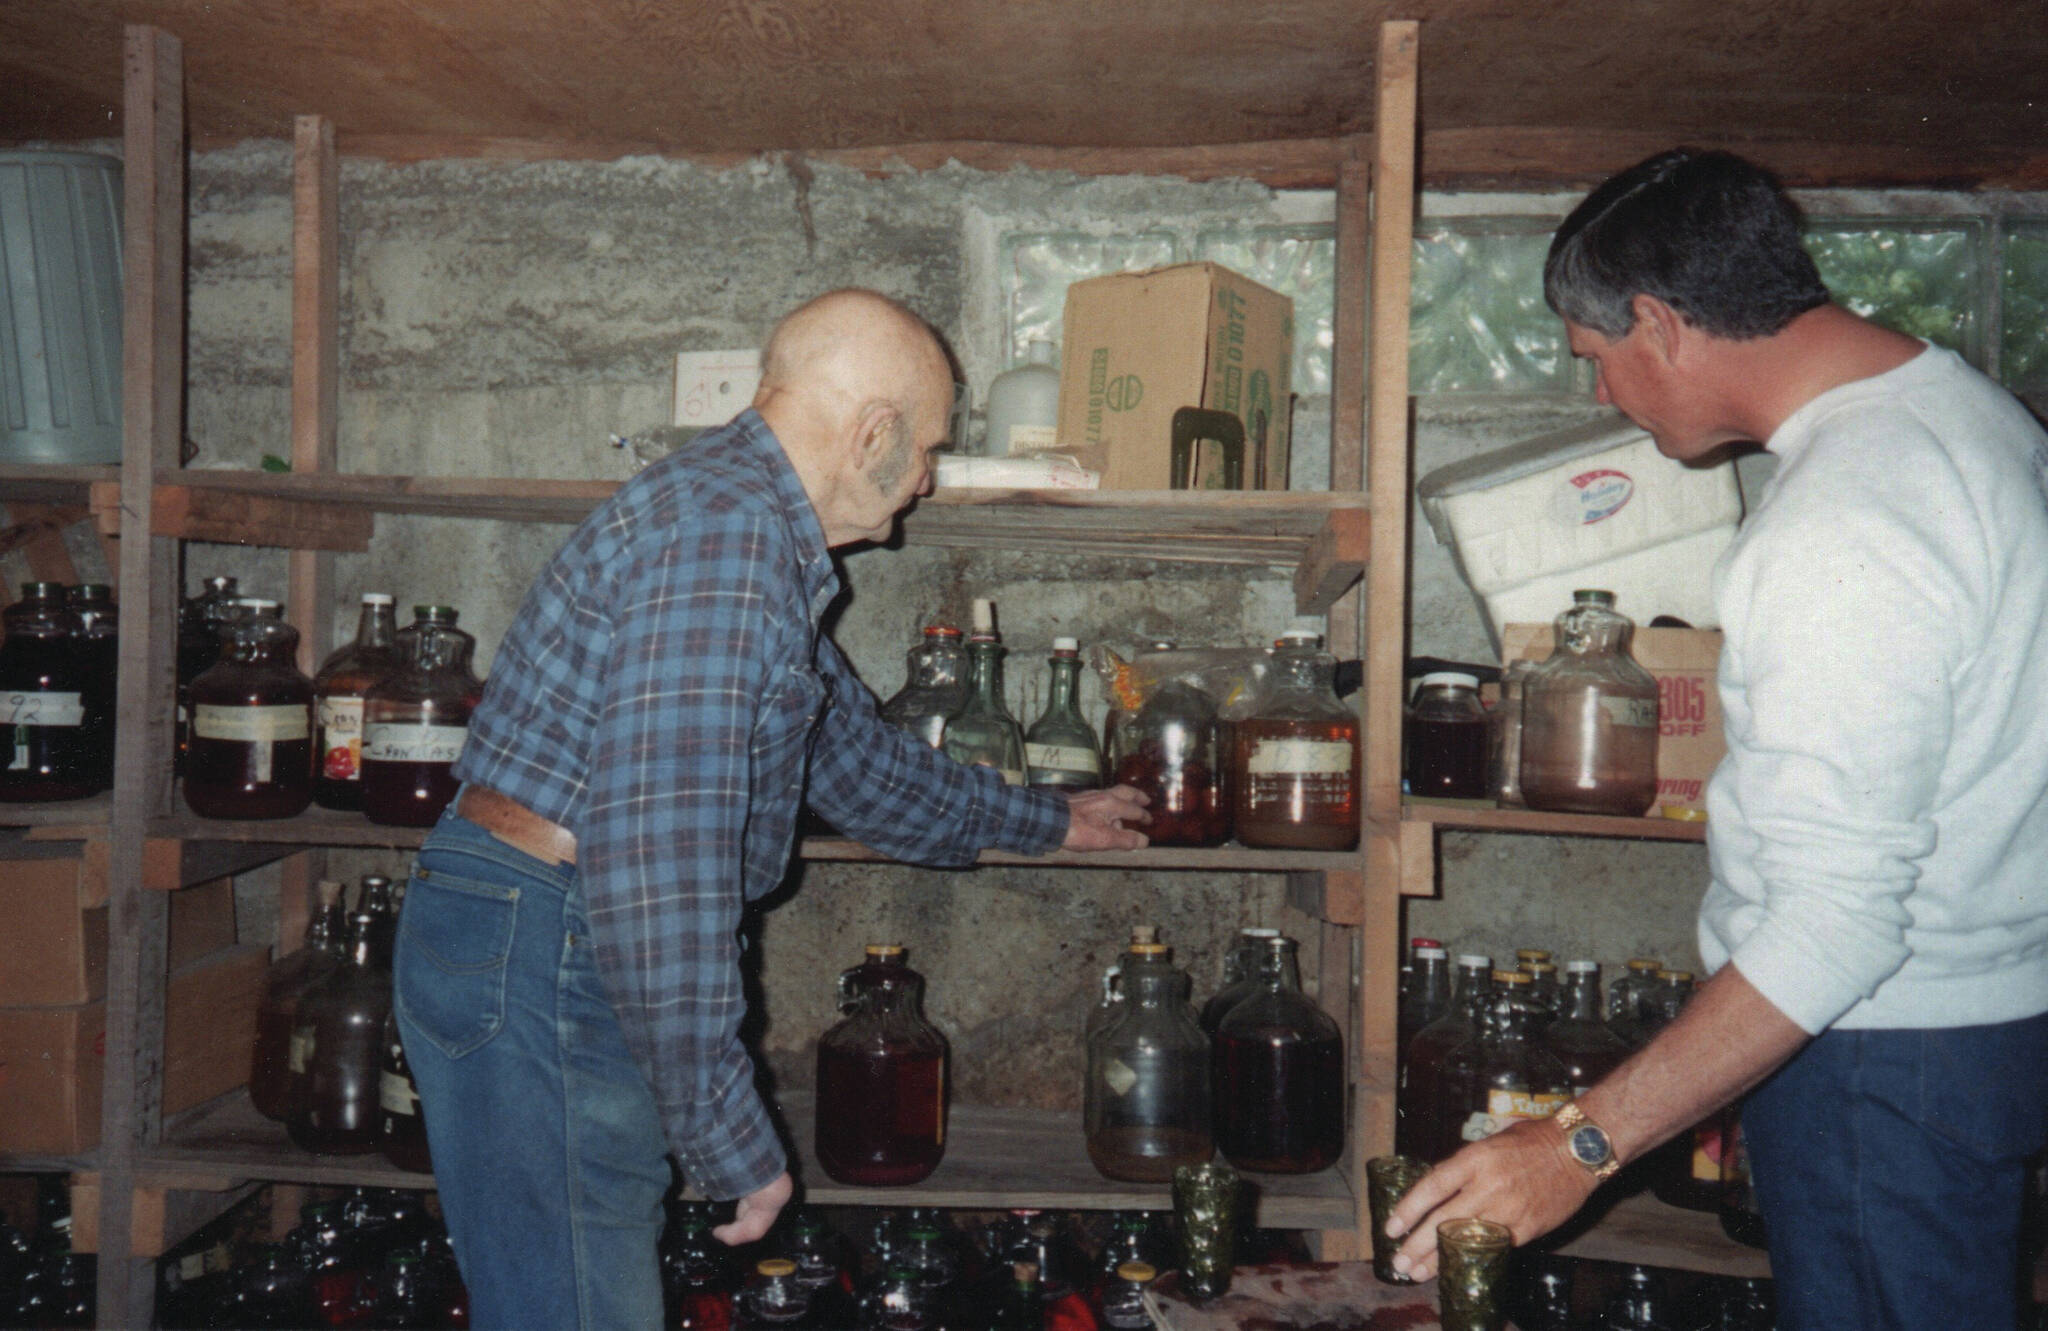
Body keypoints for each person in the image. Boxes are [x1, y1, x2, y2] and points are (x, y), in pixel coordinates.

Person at [392, 289, 1151, 1329]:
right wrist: (728, 1134)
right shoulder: (729, 538)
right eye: (928, 447)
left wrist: (1050, 819)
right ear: (872, 432)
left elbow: (855, 762)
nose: (926, 479)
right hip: (547, 938)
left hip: (533, 922)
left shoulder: (744, 533)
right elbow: (662, 857)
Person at [1386, 149, 2048, 1329]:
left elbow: (1834, 920)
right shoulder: (1969, 416)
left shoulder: (1844, 514)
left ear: (1657, 322)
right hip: (1974, 1031)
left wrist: (1576, 1143)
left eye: (1595, 357)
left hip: (1875, 1056)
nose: (1605, 398)